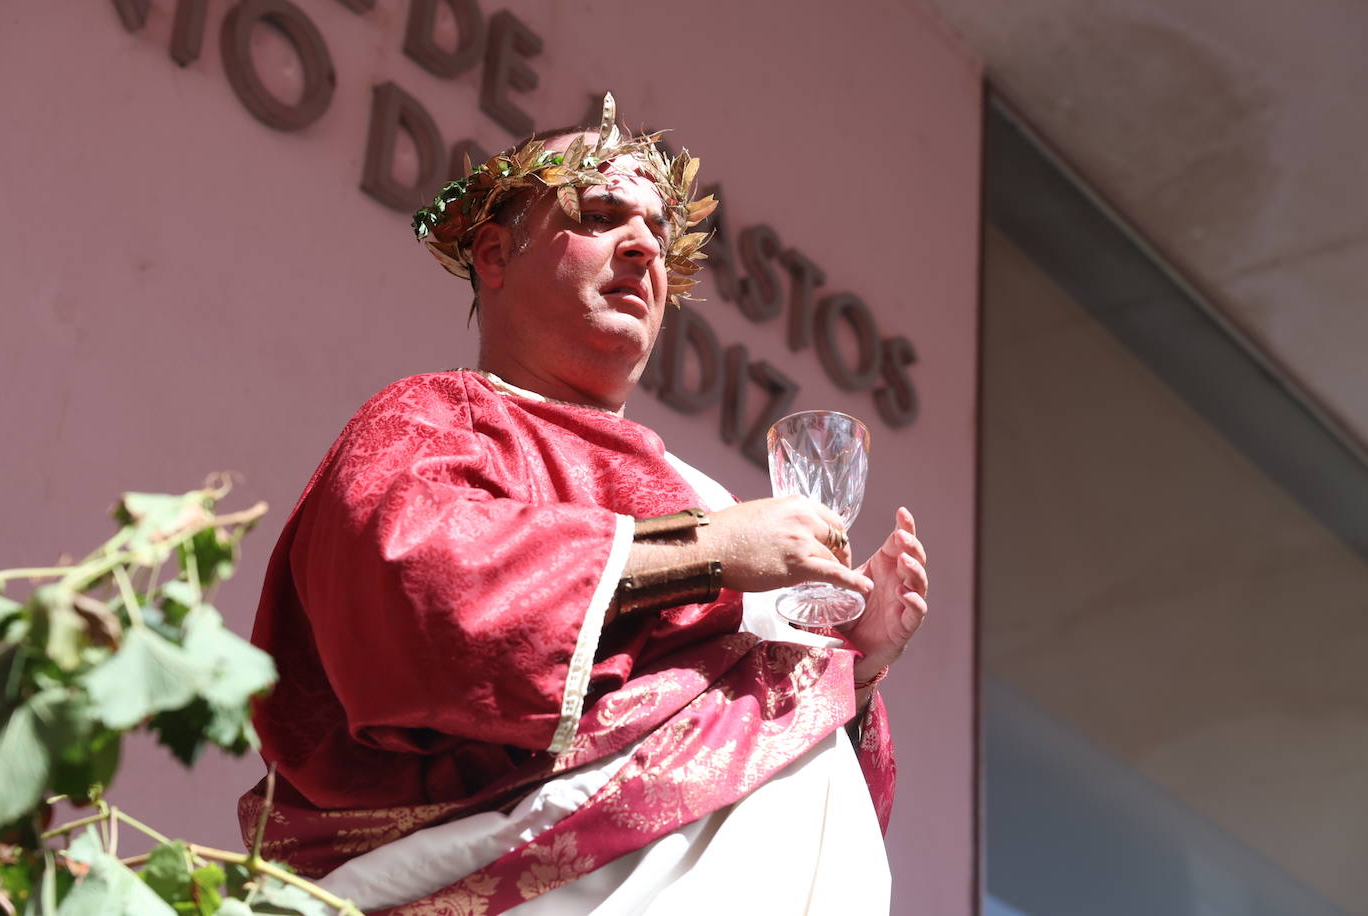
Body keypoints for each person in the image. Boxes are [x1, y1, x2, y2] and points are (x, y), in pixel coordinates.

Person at [239, 94, 930, 915]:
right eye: (601, 215)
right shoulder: (433, 419)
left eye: (657, 234)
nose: (642, 246)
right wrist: (703, 551)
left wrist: (853, 664)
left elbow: (788, 762)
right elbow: (420, 591)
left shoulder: (703, 494)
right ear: (493, 255)